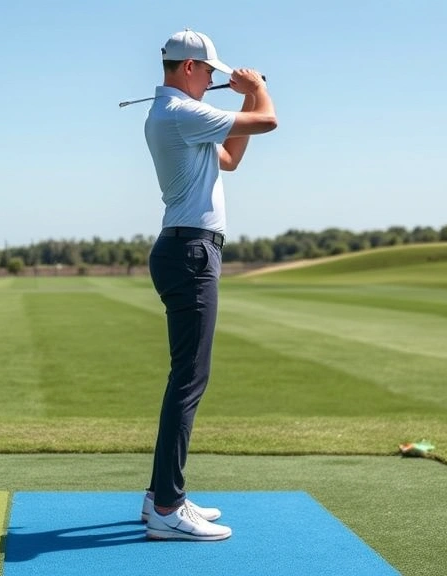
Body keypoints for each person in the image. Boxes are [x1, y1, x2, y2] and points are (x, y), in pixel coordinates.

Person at [141, 29, 277, 541]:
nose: (215, 80)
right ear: (190, 68)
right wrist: (254, 88)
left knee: (185, 378)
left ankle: (162, 495)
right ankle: (168, 507)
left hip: (185, 248)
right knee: (190, 380)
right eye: (213, 73)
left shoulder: (177, 117)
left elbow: (232, 158)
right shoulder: (180, 113)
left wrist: (242, 95)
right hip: (192, 251)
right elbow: (269, 120)